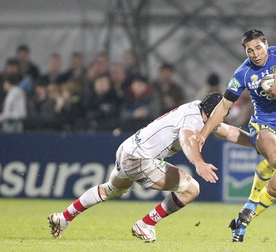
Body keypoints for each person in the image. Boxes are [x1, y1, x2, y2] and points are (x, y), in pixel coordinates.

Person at [47, 92, 253, 241]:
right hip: (140, 159)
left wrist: (258, 143)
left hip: (128, 148)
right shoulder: (193, 119)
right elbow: (187, 138)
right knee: (191, 189)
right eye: (222, 113)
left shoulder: (199, 108)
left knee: (110, 189)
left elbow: (229, 132)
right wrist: (199, 163)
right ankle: (146, 224)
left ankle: (63, 218)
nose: (223, 117)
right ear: (211, 113)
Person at [197, 29, 276, 242]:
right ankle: (252, 202)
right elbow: (224, 106)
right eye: (249, 50)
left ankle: (243, 220)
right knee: (275, 158)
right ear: (245, 52)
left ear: (266, 45)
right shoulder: (242, 74)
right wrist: (204, 133)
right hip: (263, 126)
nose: (255, 54)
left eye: (258, 48)